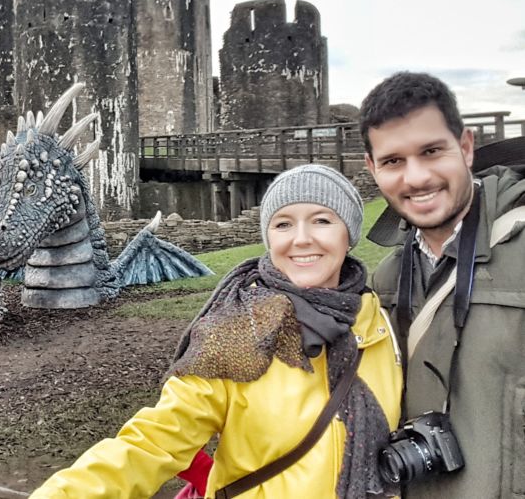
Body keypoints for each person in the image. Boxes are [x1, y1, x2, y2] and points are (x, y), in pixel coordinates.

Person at [31, 165, 403, 499]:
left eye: (322, 220)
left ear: (348, 233)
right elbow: (154, 441)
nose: (301, 239)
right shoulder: (238, 330)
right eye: (283, 223)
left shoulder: (379, 325)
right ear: (268, 236)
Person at [360, 71, 525, 498]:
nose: (415, 178)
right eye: (393, 161)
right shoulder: (386, 279)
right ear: (372, 168)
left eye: (431, 151)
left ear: (466, 147)